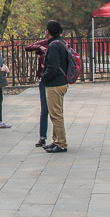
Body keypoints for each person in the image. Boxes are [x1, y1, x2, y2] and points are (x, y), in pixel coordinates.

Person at [42, 20, 71, 153]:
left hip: (55, 84)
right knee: (56, 113)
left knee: (56, 115)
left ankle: (61, 143)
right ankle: (56, 140)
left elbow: (52, 67)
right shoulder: (61, 43)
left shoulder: (53, 46)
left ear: (48, 31)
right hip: (61, 82)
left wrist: (44, 77)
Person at [25, 37, 51, 148]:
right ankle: (42, 137)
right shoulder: (45, 43)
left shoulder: (59, 44)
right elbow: (28, 47)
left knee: (56, 111)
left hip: (54, 80)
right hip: (43, 79)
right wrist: (39, 47)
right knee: (44, 110)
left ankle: (58, 138)